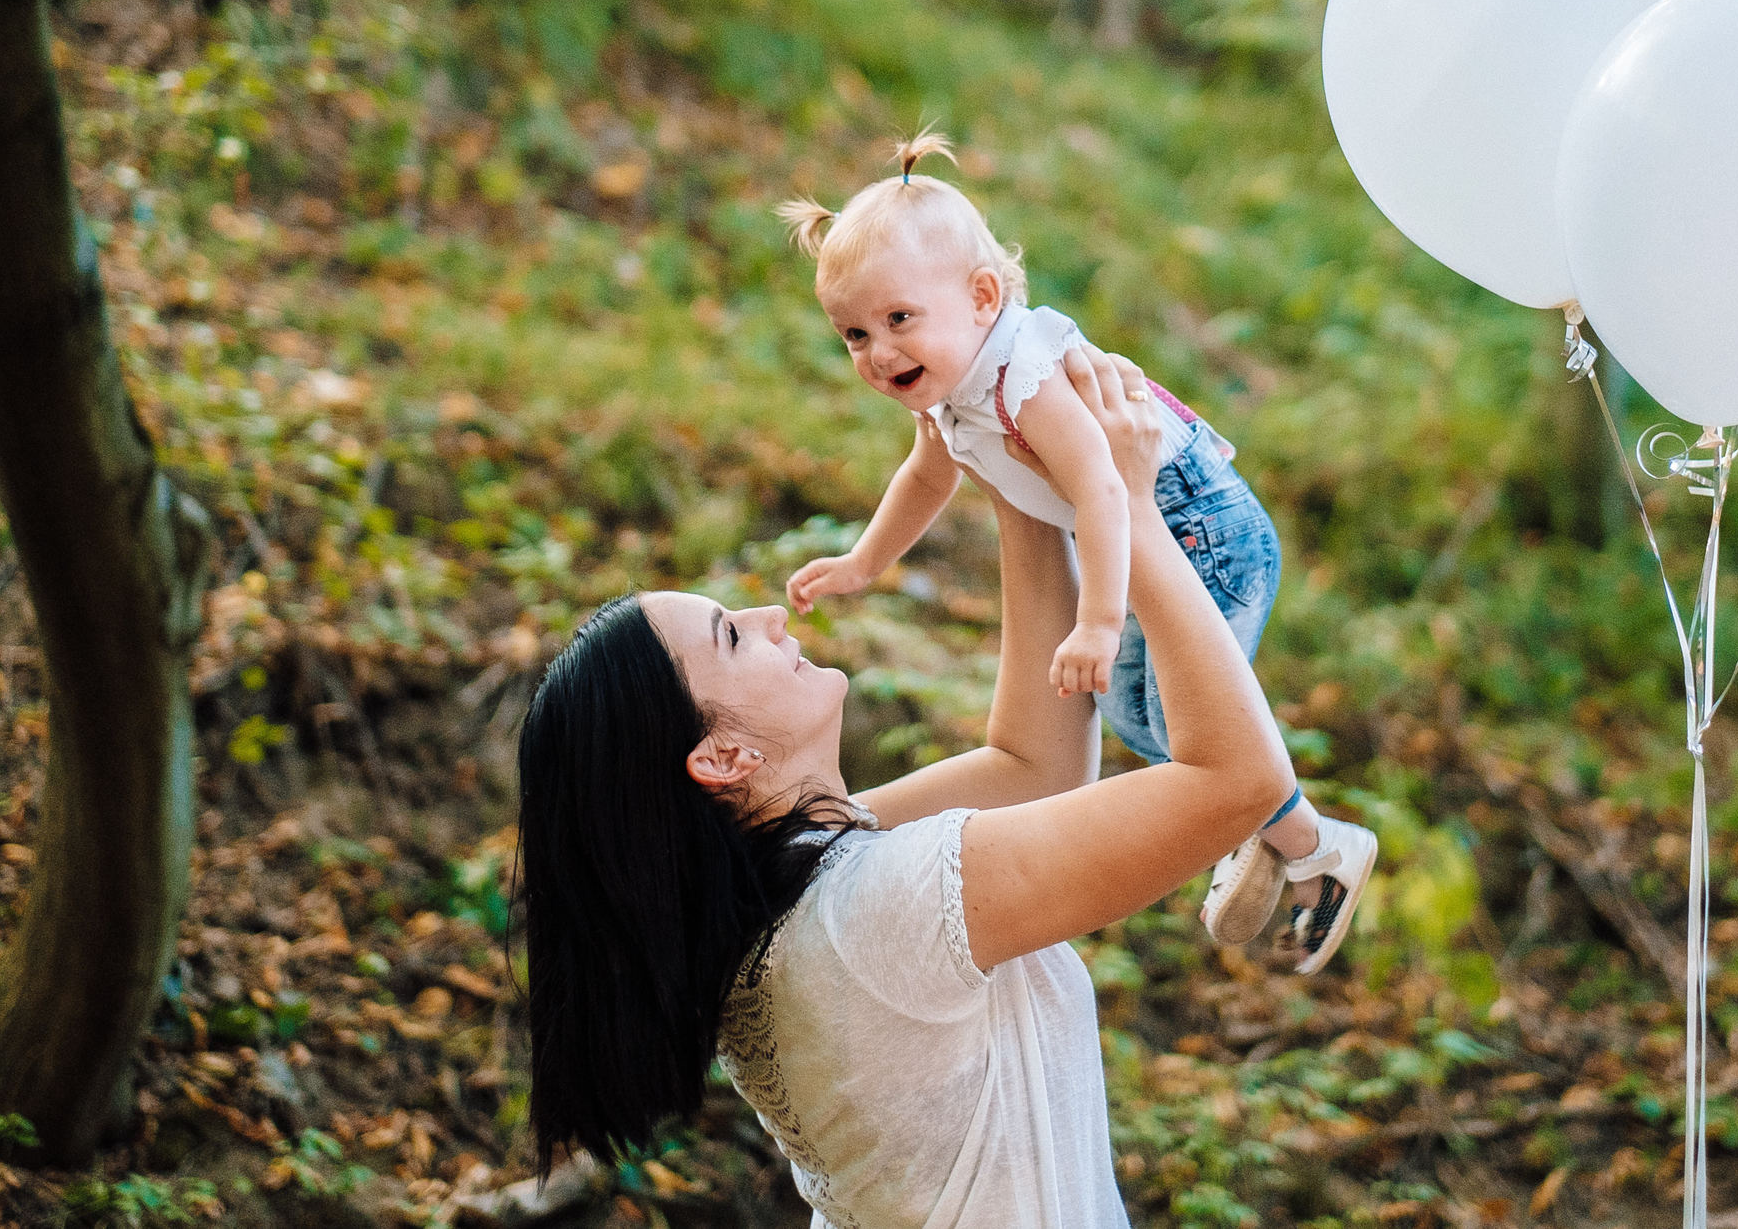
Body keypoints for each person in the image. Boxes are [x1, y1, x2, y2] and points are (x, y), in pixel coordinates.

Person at [516, 350, 1301, 1224]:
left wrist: (1014, 470)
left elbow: (1031, 769)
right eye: (732, 637)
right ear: (723, 758)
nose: (771, 615)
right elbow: (1238, 780)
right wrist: (1133, 506)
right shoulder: (875, 911)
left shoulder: (800, 881)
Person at [773, 132, 1376, 967]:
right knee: (1131, 714)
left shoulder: (1022, 371)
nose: (879, 353)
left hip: (1201, 528)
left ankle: (1312, 843)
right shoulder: (953, 386)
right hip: (1129, 547)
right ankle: (1299, 841)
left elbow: (1102, 486)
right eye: (853, 335)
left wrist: (1094, 624)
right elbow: (926, 476)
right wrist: (862, 561)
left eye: (898, 319)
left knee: (1176, 717)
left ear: (983, 296)